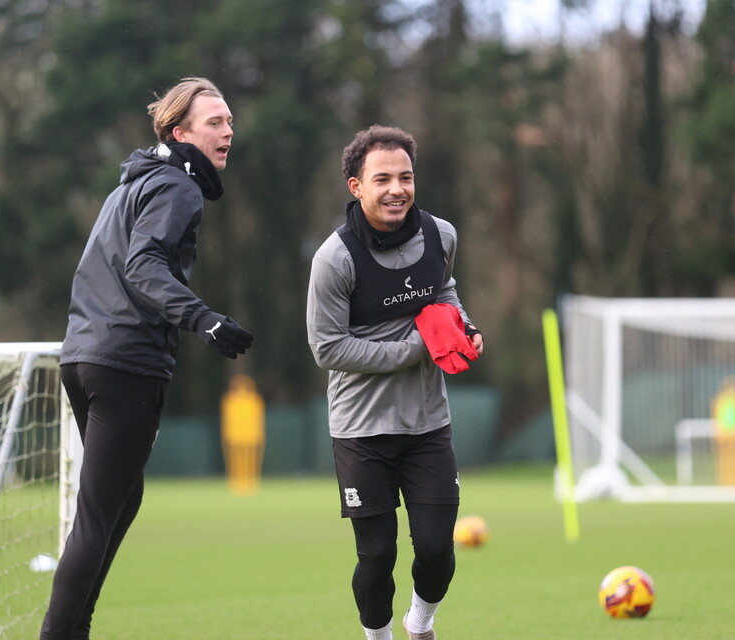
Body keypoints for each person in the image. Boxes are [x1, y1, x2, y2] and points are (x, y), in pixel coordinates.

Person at [40, 77, 254, 640]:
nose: (228, 130)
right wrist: (203, 318)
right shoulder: (177, 186)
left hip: (84, 359)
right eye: (215, 122)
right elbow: (144, 266)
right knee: (98, 513)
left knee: (120, 500)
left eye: (230, 120)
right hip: (125, 363)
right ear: (180, 132)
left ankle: (74, 628)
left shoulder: (131, 185)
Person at [306, 125, 484, 640]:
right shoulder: (333, 260)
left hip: (429, 423)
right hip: (362, 430)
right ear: (355, 186)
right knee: (378, 554)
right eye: (382, 178)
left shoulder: (441, 234)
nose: (397, 189)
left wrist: (462, 327)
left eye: (405, 176)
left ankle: (420, 624)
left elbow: (444, 290)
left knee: (436, 549)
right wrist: (418, 348)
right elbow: (328, 348)